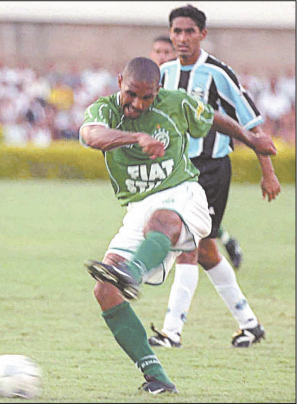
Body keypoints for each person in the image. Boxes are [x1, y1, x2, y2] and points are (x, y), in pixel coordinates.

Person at [81, 57, 276, 394]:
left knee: (161, 222)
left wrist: (249, 137)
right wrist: (136, 138)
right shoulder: (104, 111)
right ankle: (156, 375)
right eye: (132, 94)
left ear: (158, 91)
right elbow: (91, 135)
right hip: (138, 209)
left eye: (148, 97)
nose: (139, 104)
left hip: (184, 195)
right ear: (119, 83)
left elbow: (214, 118)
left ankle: (134, 270)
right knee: (104, 290)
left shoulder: (176, 103)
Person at [148, 4, 282, 350]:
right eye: (176, 31)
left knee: (187, 249)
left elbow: (251, 123)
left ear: (202, 35)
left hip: (210, 171)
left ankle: (170, 332)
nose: (181, 38)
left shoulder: (218, 73)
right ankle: (250, 325)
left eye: (189, 31)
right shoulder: (164, 73)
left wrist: (268, 173)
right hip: (178, 172)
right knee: (206, 251)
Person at [149, 34, 244, 269]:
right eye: (157, 52)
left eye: (165, 52)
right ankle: (225, 242)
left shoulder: (193, 81)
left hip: (202, 162)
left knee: (193, 231)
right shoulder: (152, 83)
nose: (161, 57)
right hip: (173, 161)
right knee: (184, 215)